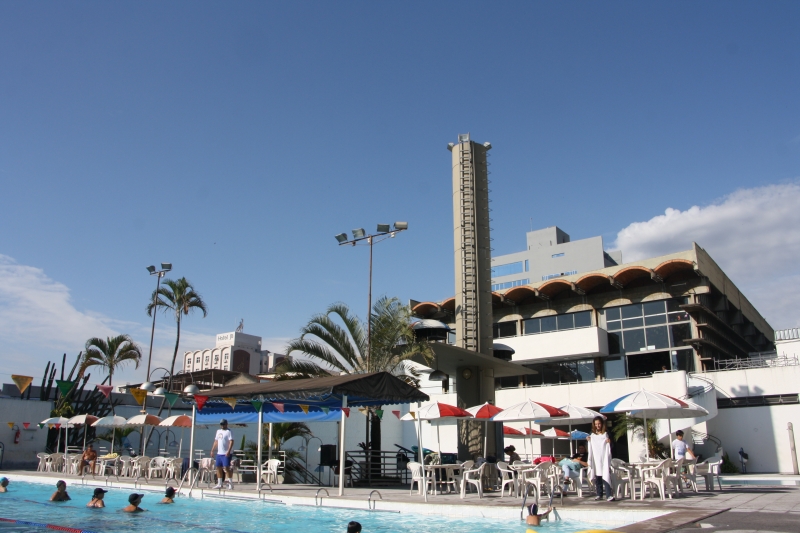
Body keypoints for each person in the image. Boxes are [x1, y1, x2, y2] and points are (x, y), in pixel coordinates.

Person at [587, 416, 615, 502]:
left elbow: (612, 445)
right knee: (597, 476)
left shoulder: (607, 433)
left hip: (604, 458)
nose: (597, 426)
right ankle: (599, 494)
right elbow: (590, 445)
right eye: (596, 424)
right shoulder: (592, 434)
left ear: (602, 424)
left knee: (606, 474)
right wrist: (588, 440)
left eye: (599, 424)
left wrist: (609, 442)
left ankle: (609, 495)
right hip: (596, 458)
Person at [210, 419, 234, 490]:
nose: (222, 426)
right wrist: (212, 450)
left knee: (226, 467)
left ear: (226, 424)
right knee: (218, 467)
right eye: (221, 424)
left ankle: (231, 483)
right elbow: (216, 441)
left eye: (223, 424)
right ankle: (219, 483)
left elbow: (231, 441)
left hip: (226, 453)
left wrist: (229, 451)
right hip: (219, 453)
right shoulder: (218, 431)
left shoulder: (229, 431)